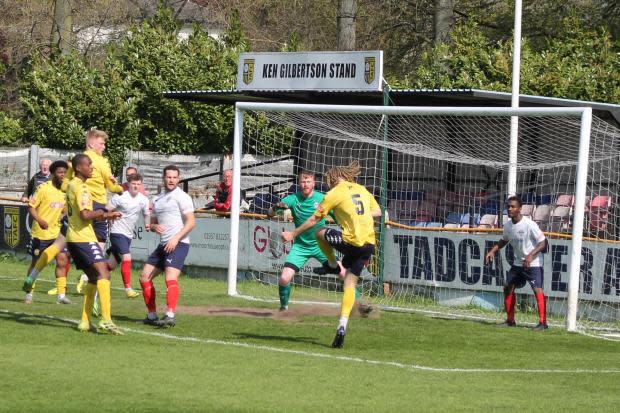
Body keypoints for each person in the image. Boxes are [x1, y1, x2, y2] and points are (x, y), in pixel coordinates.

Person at [282, 161, 382, 348]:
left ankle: (332, 264)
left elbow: (314, 219)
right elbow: (378, 211)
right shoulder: (362, 189)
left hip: (351, 241)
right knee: (349, 284)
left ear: (335, 178)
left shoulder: (334, 193)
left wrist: (292, 234)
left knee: (319, 232)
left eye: (329, 180)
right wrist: (359, 214)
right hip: (368, 244)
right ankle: (342, 326)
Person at [66, 154, 123, 334]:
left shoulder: (71, 185)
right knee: (104, 272)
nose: (91, 168)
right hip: (83, 238)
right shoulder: (81, 188)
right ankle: (106, 319)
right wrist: (106, 214)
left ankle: (84, 321)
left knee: (93, 278)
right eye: (88, 165)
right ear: (78, 168)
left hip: (74, 238)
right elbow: (85, 215)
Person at [269, 171, 342, 311]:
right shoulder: (293, 199)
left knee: (343, 274)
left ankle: (359, 306)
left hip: (321, 245)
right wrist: (275, 208)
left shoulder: (323, 198)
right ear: (299, 183)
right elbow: (270, 213)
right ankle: (283, 308)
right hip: (300, 247)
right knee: (284, 278)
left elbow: (338, 217)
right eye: (303, 181)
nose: (306, 184)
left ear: (314, 183)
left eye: (308, 181)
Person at [63, 129, 123, 292]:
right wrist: (121, 189)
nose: (104, 147)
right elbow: (111, 186)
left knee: (77, 244)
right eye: (102, 143)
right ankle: (95, 289)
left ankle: (87, 278)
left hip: (76, 208)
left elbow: (64, 186)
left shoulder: (76, 161)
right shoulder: (100, 161)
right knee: (99, 253)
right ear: (91, 143)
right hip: (96, 206)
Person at [140, 165, 195, 328]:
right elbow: (152, 224)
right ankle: (151, 315)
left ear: (178, 179)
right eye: (168, 177)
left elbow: (192, 222)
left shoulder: (182, 197)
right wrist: (154, 227)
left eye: (174, 177)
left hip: (179, 243)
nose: (171, 180)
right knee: (144, 277)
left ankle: (170, 315)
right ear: (163, 178)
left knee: (170, 277)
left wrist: (176, 239)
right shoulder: (157, 199)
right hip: (163, 244)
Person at [485, 195, 548, 330]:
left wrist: (531, 256)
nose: (509, 209)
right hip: (518, 263)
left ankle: (543, 323)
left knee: (537, 290)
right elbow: (504, 240)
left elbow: (543, 242)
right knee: (507, 287)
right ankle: (510, 321)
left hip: (534, 263)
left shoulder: (529, 224)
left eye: (513, 206)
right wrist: (492, 251)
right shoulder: (508, 226)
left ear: (519, 208)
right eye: (508, 206)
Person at [22, 160, 71, 304]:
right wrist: (40, 220)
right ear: (53, 174)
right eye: (60, 172)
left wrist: (65, 213)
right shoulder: (43, 188)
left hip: (58, 233)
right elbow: (31, 207)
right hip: (41, 233)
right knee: (36, 263)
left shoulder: (66, 191)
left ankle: (61, 296)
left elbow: (65, 209)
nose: (63, 175)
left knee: (62, 261)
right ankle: (29, 293)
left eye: (65, 173)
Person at [106, 173, 151, 298]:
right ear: (128, 184)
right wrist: (111, 217)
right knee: (127, 257)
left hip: (128, 235)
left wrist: (147, 225)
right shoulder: (120, 197)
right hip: (116, 232)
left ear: (141, 185)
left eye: (138, 184)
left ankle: (87, 276)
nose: (136, 186)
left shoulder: (143, 199)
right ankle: (128, 289)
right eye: (133, 184)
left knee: (111, 265)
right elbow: (106, 209)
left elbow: (146, 213)